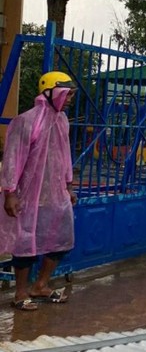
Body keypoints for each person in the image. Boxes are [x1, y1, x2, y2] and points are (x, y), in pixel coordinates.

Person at [0, 71, 78, 311]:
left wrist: (68, 185)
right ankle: (20, 292)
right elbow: (13, 157)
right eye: (66, 94)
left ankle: (40, 285)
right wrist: (10, 191)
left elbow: (64, 155)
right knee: (25, 243)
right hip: (28, 193)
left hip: (55, 193)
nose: (69, 100)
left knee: (61, 240)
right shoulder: (26, 121)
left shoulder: (62, 120)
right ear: (50, 92)